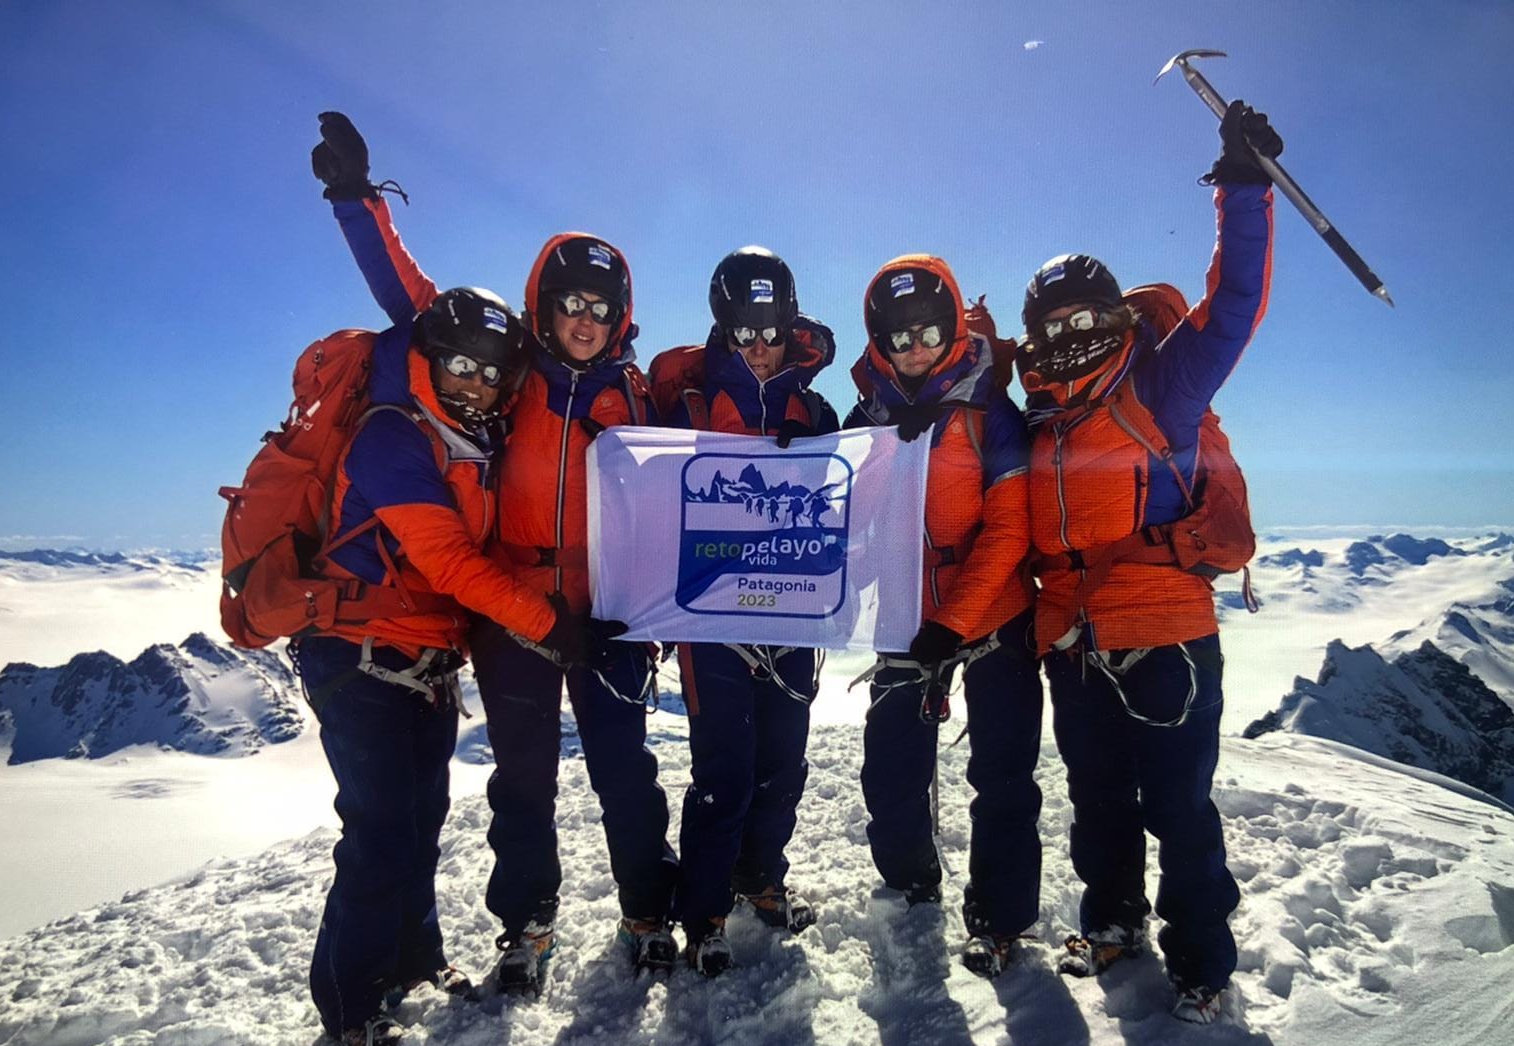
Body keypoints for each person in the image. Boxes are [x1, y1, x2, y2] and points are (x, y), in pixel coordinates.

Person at [311, 113, 678, 990]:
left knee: (627, 773)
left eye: (601, 307)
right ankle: (526, 924)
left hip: (612, 609)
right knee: (524, 781)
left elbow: (699, 486)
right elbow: (417, 303)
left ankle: (648, 910)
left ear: (620, 315)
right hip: (511, 605)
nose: (584, 321)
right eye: (570, 304)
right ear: (544, 306)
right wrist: (358, 202)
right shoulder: (505, 372)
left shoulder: (637, 392)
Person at [1019, 101, 1281, 1023]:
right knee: (1098, 804)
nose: (1072, 338)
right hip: (1076, 645)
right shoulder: (1039, 421)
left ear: (1118, 316)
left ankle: (1202, 959)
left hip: (1166, 637)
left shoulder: (1162, 387)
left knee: (1180, 809)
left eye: (1088, 318)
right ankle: (1114, 919)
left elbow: (1234, 307)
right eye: (1052, 327)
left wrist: (1242, 188)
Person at [293, 286, 575, 1046]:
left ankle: (412, 963)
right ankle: (350, 1004)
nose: (476, 383)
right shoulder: (392, 437)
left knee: (416, 824)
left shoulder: (465, 440)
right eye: (458, 365)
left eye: (492, 374)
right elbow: (447, 560)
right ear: (425, 359)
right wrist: (551, 625)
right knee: (381, 832)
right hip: (358, 656)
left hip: (421, 662)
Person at [844, 254, 1042, 978]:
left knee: (1002, 773)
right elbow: (838, 510)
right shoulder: (867, 417)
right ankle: (908, 883)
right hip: (904, 612)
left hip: (992, 612)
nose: (915, 347)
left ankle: (999, 918)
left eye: (927, 331)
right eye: (899, 339)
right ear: (881, 344)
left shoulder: (993, 413)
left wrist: (954, 623)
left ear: (953, 326)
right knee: (891, 768)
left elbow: (1010, 528)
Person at [647, 247, 839, 975]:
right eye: (743, 334)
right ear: (722, 332)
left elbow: (849, 496)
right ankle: (702, 914)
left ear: (792, 330)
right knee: (724, 770)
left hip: (791, 611)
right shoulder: (685, 405)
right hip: (709, 619)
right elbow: (640, 492)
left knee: (782, 766)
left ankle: (760, 878)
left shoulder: (812, 409)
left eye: (772, 333)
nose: (760, 349)